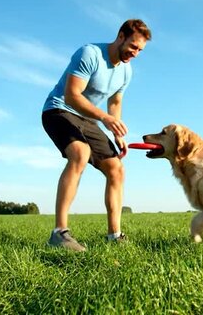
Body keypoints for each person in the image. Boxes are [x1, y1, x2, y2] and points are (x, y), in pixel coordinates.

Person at [41, 19, 151, 251]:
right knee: (80, 153)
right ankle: (59, 234)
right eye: (133, 46)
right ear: (120, 36)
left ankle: (115, 235)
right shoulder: (89, 54)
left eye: (140, 50)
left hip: (88, 119)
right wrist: (105, 119)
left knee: (116, 169)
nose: (135, 53)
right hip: (58, 109)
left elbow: (116, 102)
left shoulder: (126, 71)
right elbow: (72, 96)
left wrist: (116, 129)